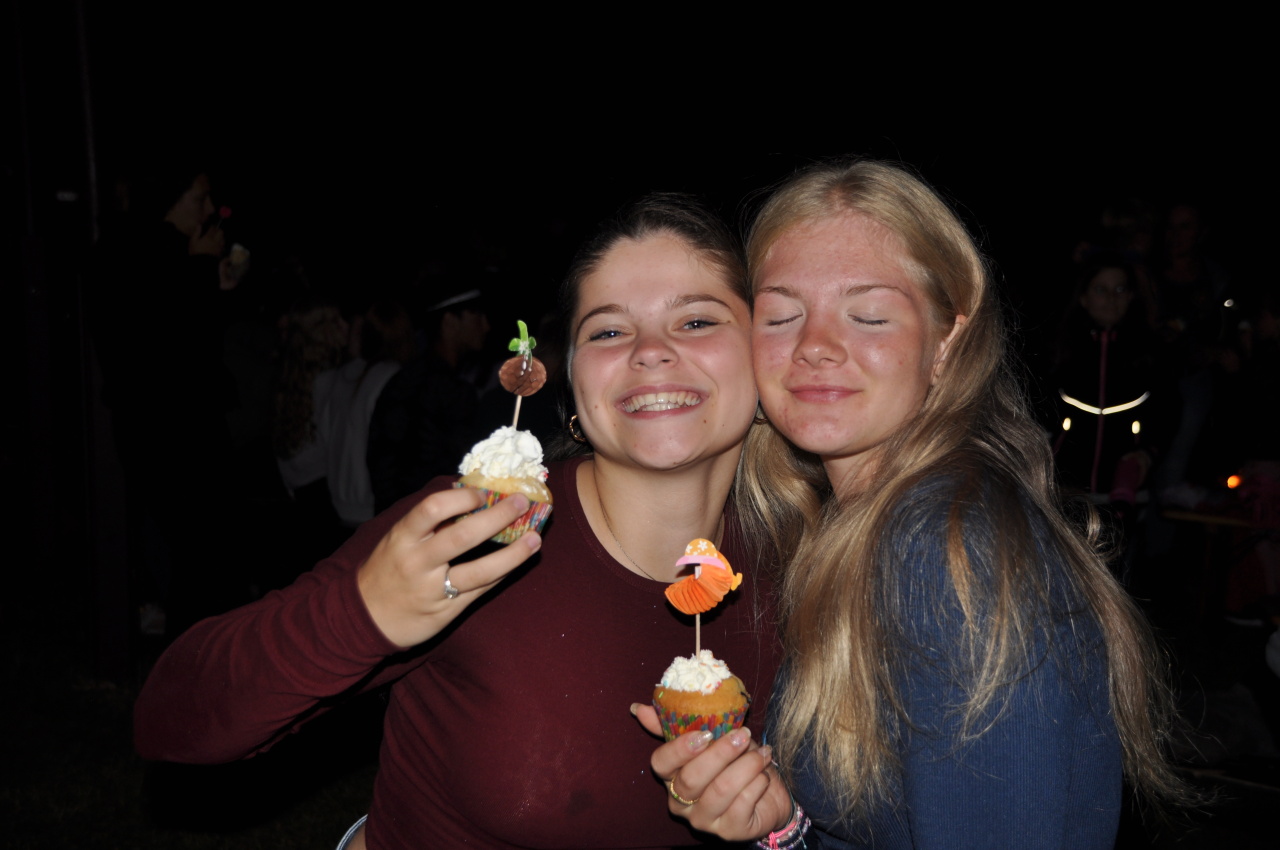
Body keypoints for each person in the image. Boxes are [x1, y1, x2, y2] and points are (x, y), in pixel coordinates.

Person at [134, 194, 781, 849]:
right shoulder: (476, 530)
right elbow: (171, 720)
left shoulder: (805, 566)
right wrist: (362, 614)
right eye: (609, 331)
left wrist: (776, 827)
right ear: (574, 389)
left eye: (696, 320)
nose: (651, 351)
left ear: (762, 353)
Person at [641, 160, 1188, 848]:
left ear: (946, 342)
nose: (815, 346)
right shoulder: (852, 525)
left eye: (868, 315)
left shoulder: (951, 547)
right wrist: (782, 827)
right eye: (781, 316)